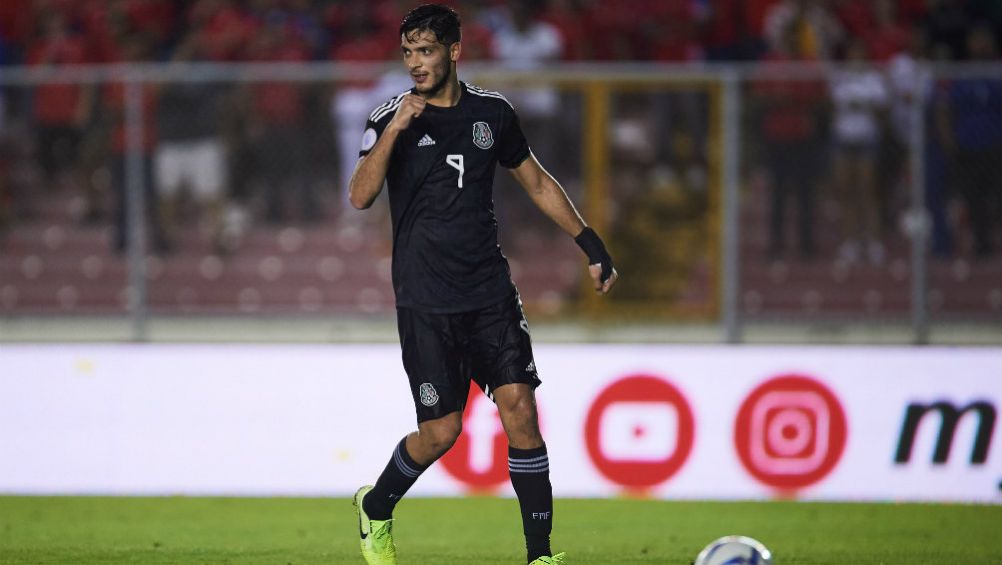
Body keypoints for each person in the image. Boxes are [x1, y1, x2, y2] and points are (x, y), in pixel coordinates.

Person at [346, 5, 618, 565]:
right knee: (441, 433)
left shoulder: (493, 114)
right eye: (407, 53)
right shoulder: (388, 117)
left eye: (425, 51)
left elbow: (538, 183)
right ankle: (376, 507)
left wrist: (589, 242)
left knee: (519, 408)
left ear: (454, 51)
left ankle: (540, 555)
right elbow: (359, 195)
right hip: (426, 301)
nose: (415, 64)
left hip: (489, 292)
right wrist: (395, 128)